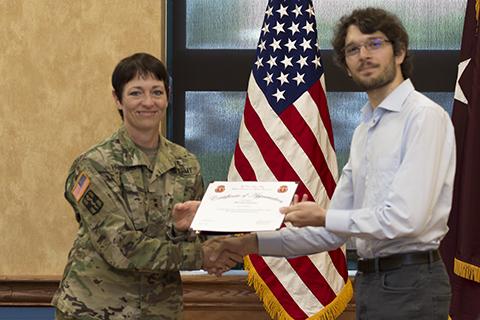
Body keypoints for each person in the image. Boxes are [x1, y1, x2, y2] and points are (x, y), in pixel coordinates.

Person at [179, 7, 457, 320]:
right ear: (347, 66)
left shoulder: (423, 117)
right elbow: (329, 234)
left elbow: (406, 219)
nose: (364, 54)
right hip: (374, 284)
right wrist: (244, 241)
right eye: (353, 49)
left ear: (400, 52)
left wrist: (324, 216)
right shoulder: (366, 130)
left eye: (375, 44)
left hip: (411, 282)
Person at [51, 52, 240, 320]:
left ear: (168, 96)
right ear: (118, 99)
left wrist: (221, 240)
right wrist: (201, 255)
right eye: (136, 93)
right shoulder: (93, 166)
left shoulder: (186, 164)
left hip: (160, 310)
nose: (148, 102)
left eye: (156, 92)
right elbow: (119, 247)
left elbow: (195, 232)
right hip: (95, 310)